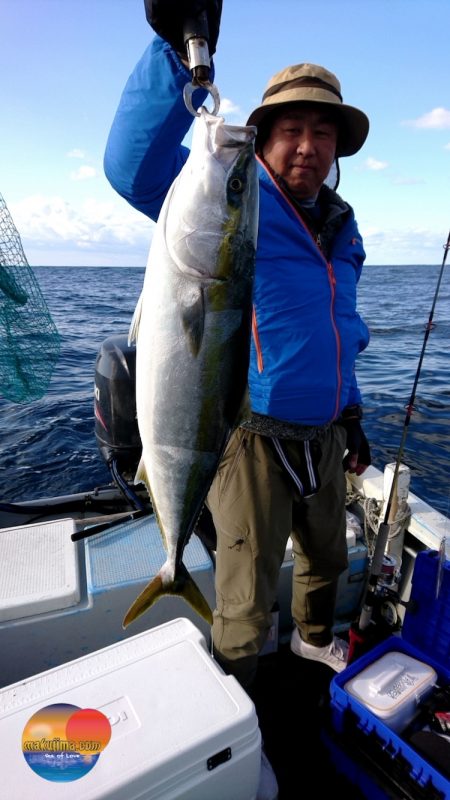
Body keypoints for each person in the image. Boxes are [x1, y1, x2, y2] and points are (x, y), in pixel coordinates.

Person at [104, 2, 371, 796]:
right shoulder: (223, 196)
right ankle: (239, 710)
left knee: (326, 559)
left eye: (323, 133)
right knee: (246, 596)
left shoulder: (344, 229)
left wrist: (352, 410)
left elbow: (343, 330)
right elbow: (130, 169)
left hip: (324, 435)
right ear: (263, 134)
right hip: (248, 436)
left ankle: (317, 643)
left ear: (337, 149)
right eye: (291, 129)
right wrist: (169, 53)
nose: (307, 146)